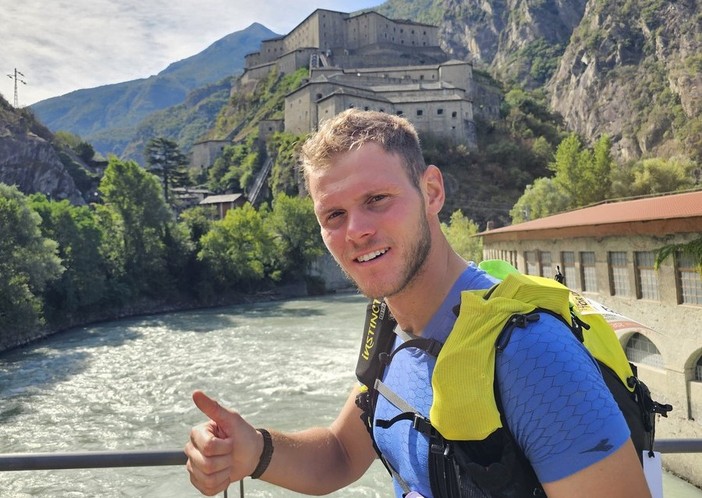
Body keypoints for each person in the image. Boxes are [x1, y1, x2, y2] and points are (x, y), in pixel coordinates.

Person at [185, 109, 651, 497]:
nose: (356, 230)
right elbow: (341, 454)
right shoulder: (391, 329)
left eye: (377, 199)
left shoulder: (529, 353)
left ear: (431, 192)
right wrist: (255, 450)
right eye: (335, 214)